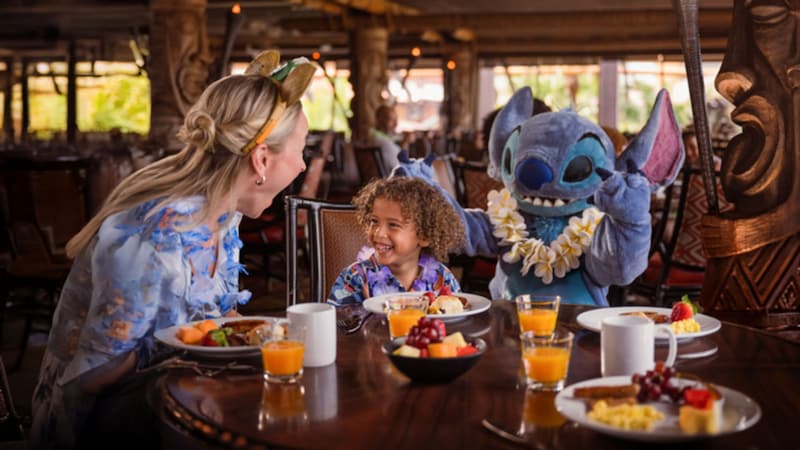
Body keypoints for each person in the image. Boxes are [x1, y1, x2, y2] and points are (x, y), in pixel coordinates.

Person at [30, 50, 316, 449]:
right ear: (262, 159)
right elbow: (93, 377)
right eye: (301, 150)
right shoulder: (150, 236)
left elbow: (214, 322)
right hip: (102, 426)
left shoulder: (225, 220)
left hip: (181, 395)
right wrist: (185, 342)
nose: (303, 166)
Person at [328, 177, 465, 306]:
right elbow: (338, 325)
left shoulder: (443, 279)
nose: (379, 233)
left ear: (424, 236)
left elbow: (457, 317)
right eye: (374, 221)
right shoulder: (355, 278)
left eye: (393, 225)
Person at [370, 104, 409, 176]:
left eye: (396, 120)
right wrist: (406, 142)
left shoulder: (371, 136)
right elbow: (401, 169)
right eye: (391, 119)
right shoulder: (384, 143)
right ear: (380, 120)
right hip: (390, 182)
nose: (395, 124)